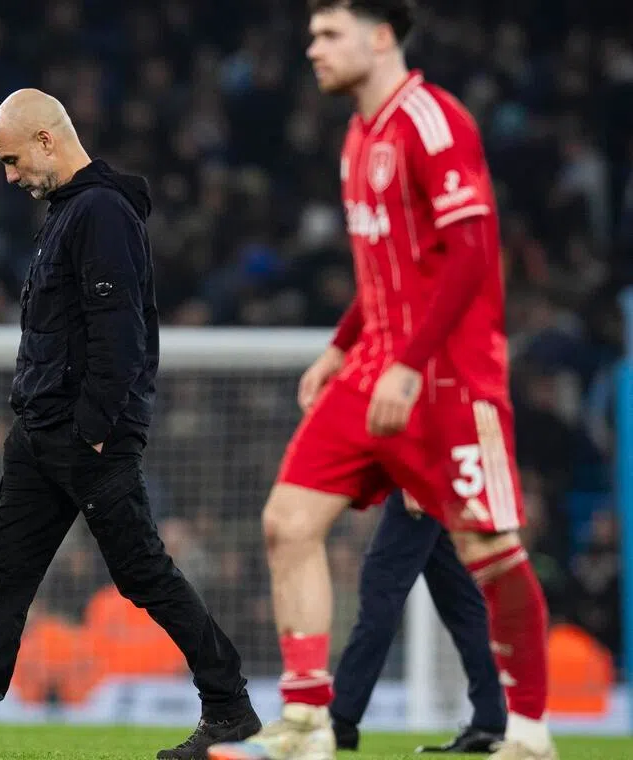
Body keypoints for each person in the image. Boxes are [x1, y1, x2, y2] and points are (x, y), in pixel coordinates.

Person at [0, 88, 262, 760]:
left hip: (82, 435)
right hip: (43, 430)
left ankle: (229, 705)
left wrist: (94, 427)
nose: (9, 176)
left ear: (47, 140)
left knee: (142, 573)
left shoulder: (100, 211)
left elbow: (120, 333)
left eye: (13, 159)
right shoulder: (74, 212)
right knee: (3, 576)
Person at [209, 2, 555, 759]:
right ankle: (308, 723)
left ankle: (529, 733)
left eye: (329, 34)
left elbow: (471, 253)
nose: (314, 49)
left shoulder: (434, 121)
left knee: (488, 550)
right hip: (375, 371)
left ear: (382, 36)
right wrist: (341, 347)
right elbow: (389, 268)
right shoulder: (359, 135)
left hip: (449, 377)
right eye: (311, 36)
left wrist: (408, 363)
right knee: (287, 522)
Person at [331, 492, 506, 754]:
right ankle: (490, 720)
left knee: (381, 590)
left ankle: (340, 719)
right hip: (437, 489)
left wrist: (412, 484)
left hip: (418, 484)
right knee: (462, 604)